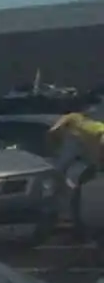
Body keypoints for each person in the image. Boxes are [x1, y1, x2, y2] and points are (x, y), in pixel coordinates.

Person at [51, 104, 104, 242]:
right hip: (93, 161)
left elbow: (63, 161)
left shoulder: (72, 131)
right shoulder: (84, 122)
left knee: (78, 192)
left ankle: (81, 229)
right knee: (80, 188)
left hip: (96, 157)